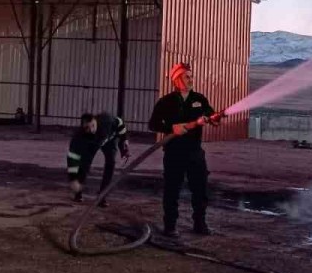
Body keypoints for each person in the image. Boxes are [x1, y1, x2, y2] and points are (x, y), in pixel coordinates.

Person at [148, 62, 219, 238]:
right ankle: (170, 226)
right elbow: (152, 124)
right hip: (174, 152)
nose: (190, 79)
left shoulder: (199, 99)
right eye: (187, 76)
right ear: (177, 79)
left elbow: (211, 116)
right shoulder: (166, 102)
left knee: (200, 189)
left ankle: (200, 224)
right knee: (172, 190)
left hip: (195, 152)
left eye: (191, 76)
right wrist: (172, 128)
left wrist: (215, 118)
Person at [67, 111, 131, 207]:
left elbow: (120, 123)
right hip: (92, 145)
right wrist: (73, 179)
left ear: (95, 121)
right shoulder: (79, 137)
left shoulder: (107, 120)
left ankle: (102, 196)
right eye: (87, 128)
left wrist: (124, 141)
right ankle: (78, 193)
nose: (91, 130)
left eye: (93, 126)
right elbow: (72, 157)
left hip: (110, 140)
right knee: (85, 164)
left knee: (111, 163)